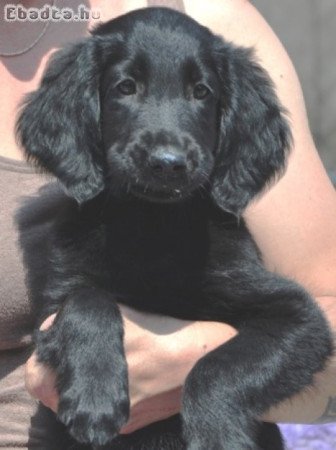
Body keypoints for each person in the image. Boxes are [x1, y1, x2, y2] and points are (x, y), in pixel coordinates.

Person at [0, 0, 335, 448]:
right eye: (126, 87)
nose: (168, 151)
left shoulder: (220, 252)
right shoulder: (77, 242)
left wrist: (201, 376)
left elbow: (306, 327)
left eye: (200, 94)